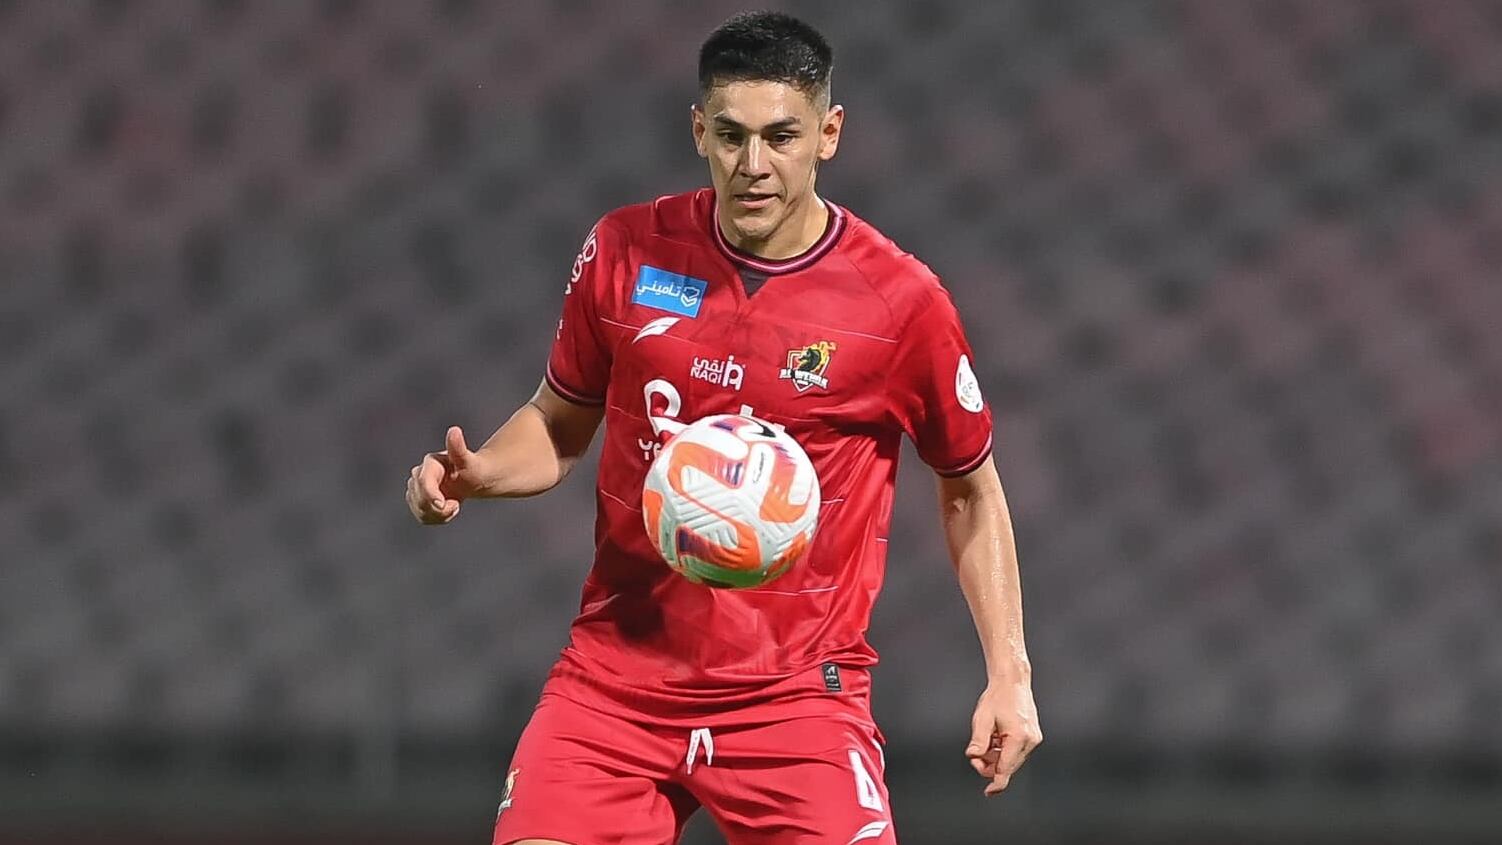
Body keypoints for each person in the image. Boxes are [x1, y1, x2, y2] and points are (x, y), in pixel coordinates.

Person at [405, 11, 1041, 845]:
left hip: (796, 698)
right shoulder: (625, 249)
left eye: (782, 136)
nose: (754, 165)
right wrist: (483, 472)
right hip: (616, 684)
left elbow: (970, 491)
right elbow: (558, 423)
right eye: (732, 135)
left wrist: (1010, 672)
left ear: (829, 134)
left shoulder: (900, 304)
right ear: (699, 129)